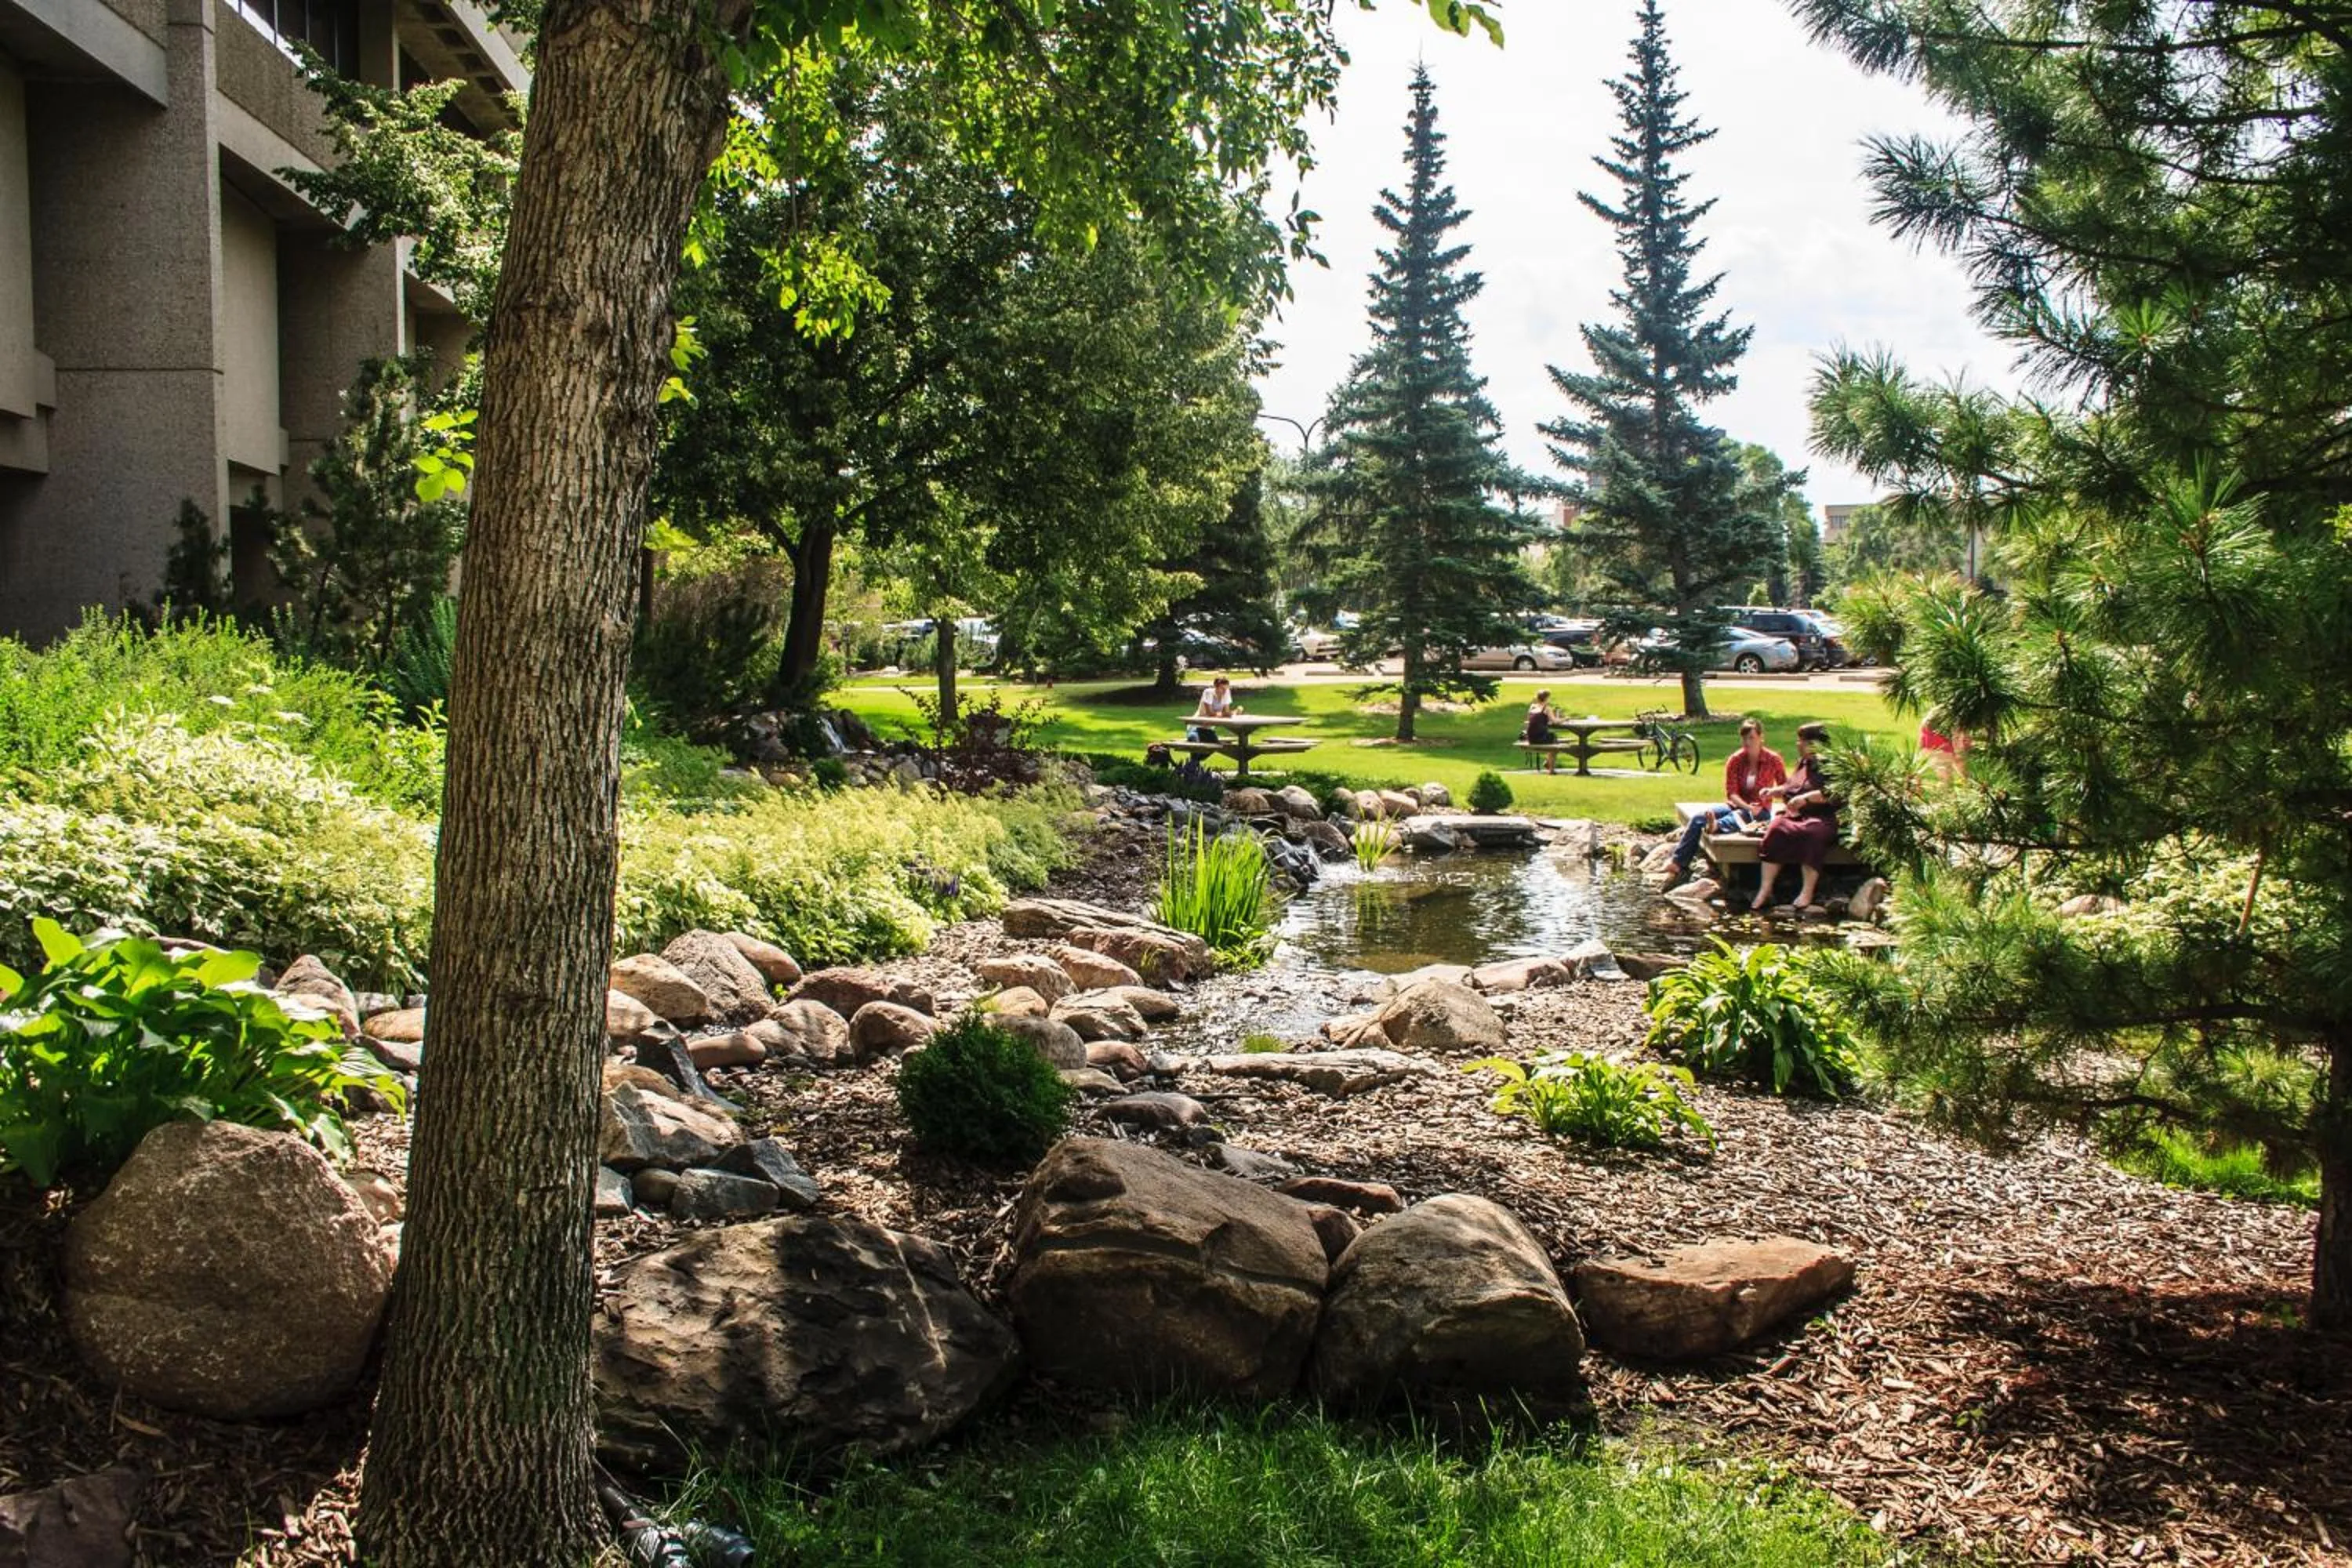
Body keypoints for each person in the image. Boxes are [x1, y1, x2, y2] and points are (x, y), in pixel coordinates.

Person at [1661, 717, 1784, 891]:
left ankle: (1716, 826)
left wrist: (1785, 806)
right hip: (1738, 805)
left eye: (1751, 738)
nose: (1747, 743)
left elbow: (1784, 786)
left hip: (1760, 810)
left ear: (1761, 738)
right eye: (1744, 739)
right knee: (1698, 818)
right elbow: (1732, 793)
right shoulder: (1735, 760)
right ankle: (1678, 861)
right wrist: (1747, 806)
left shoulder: (1773, 760)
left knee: (1740, 817)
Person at [1753, 720, 1838, 913]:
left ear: (1813, 744)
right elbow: (1792, 787)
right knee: (1776, 829)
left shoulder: (1831, 765)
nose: (1797, 744)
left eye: (1801, 741)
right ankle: (1765, 889)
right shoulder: (1804, 763)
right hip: (1795, 816)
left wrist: (1806, 799)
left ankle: (1807, 891)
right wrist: (1773, 791)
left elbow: (1833, 794)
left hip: (1821, 817)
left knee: (1812, 835)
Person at [1918, 705, 1970, 781]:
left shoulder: (1936, 712)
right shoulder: (1957, 719)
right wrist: (1966, 779)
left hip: (1926, 751)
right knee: (1945, 780)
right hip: (1944, 752)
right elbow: (1959, 753)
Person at [1188, 675, 1240, 743]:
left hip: (1209, 728)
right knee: (1195, 741)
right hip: (1196, 727)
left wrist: (1233, 712)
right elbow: (1210, 713)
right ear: (1216, 687)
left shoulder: (1226, 693)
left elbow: (1226, 713)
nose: (1224, 691)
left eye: (1226, 689)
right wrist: (1229, 713)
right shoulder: (1208, 693)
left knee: (1215, 746)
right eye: (1222, 689)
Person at [1523, 690, 1561, 774]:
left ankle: (1548, 762)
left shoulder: (1532, 707)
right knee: (1554, 739)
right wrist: (1565, 719)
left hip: (1530, 738)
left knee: (1552, 738)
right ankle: (1551, 769)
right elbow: (1555, 722)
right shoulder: (1547, 708)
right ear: (1547, 698)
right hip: (1540, 737)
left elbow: (1530, 720)